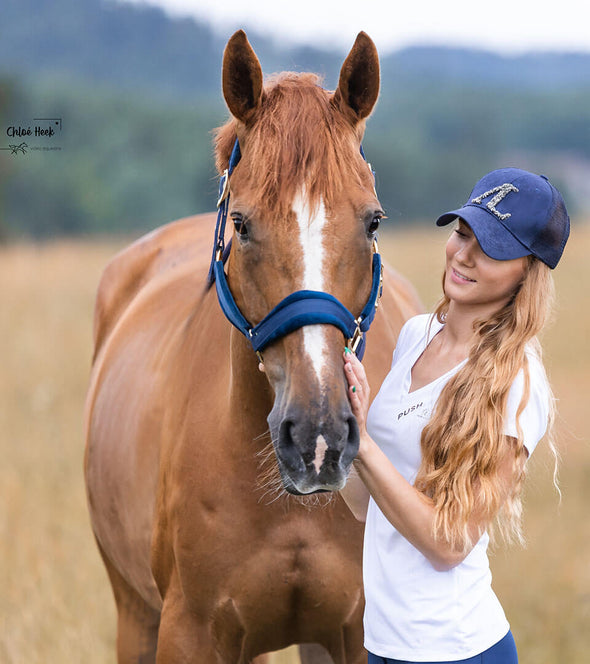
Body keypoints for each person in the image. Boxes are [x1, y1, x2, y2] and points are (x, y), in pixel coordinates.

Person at [341, 167, 570, 664]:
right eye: (462, 232)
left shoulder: (517, 383)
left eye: (490, 247)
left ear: (526, 272)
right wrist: (340, 423)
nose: (463, 254)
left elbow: (449, 544)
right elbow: (366, 506)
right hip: (382, 644)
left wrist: (361, 443)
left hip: (455, 650)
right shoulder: (416, 334)